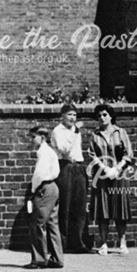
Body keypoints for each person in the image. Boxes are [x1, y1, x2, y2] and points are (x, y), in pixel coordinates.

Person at [88, 104, 134, 256]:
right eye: (99, 115)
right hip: (102, 177)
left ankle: (122, 241)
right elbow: (92, 155)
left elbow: (129, 154)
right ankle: (104, 243)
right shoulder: (95, 135)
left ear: (111, 116)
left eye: (105, 114)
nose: (102, 118)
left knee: (120, 210)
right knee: (103, 210)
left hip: (119, 175)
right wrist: (104, 168)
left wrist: (117, 169)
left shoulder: (120, 132)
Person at [50, 104, 89, 253]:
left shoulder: (75, 131)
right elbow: (64, 150)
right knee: (65, 206)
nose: (72, 118)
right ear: (62, 116)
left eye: (74, 115)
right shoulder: (57, 131)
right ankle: (63, 243)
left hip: (78, 167)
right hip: (65, 167)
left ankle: (78, 242)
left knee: (79, 206)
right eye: (69, 114)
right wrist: (74, 132)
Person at [25, 125, 64, 270]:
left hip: (44, 188)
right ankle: (57, 258)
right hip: (53, 188)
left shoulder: (43, 152)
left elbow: (39, 175)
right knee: (52, 223)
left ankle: (39, 259)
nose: (31, 140)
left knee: (37, 224)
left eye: (33, 137)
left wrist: (34, 190)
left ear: (42, 138)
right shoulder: (50, 152)